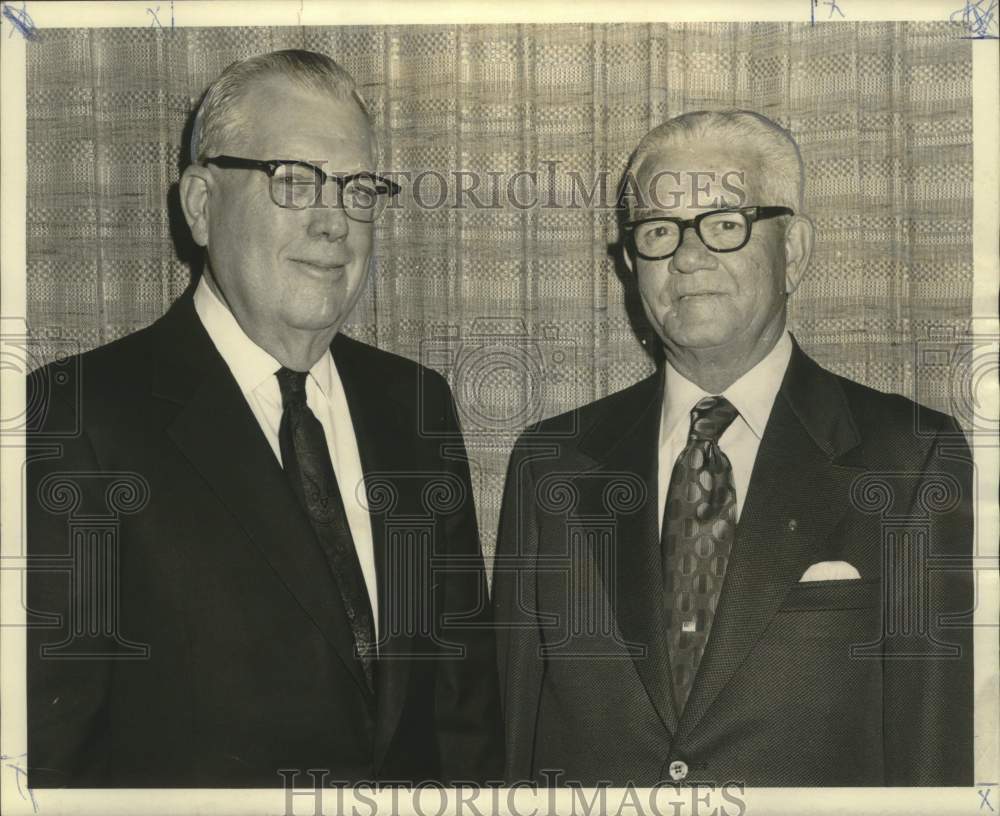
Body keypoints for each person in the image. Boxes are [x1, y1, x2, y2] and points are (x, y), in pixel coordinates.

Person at [27, 49, 502, 788]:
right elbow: (51, 757)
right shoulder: (76, 418)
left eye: (357, 188)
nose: (333, 222)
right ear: (200, 205)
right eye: (294, 180)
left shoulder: (416, 406)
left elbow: (463, 718)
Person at [493, 109, 974, 787]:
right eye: (659, 230)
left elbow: (935, 756)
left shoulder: (912, 460)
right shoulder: (551, 466)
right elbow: (509, 740)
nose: (688, 257)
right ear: (632, 263)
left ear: (795, 251)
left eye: (725, 223)